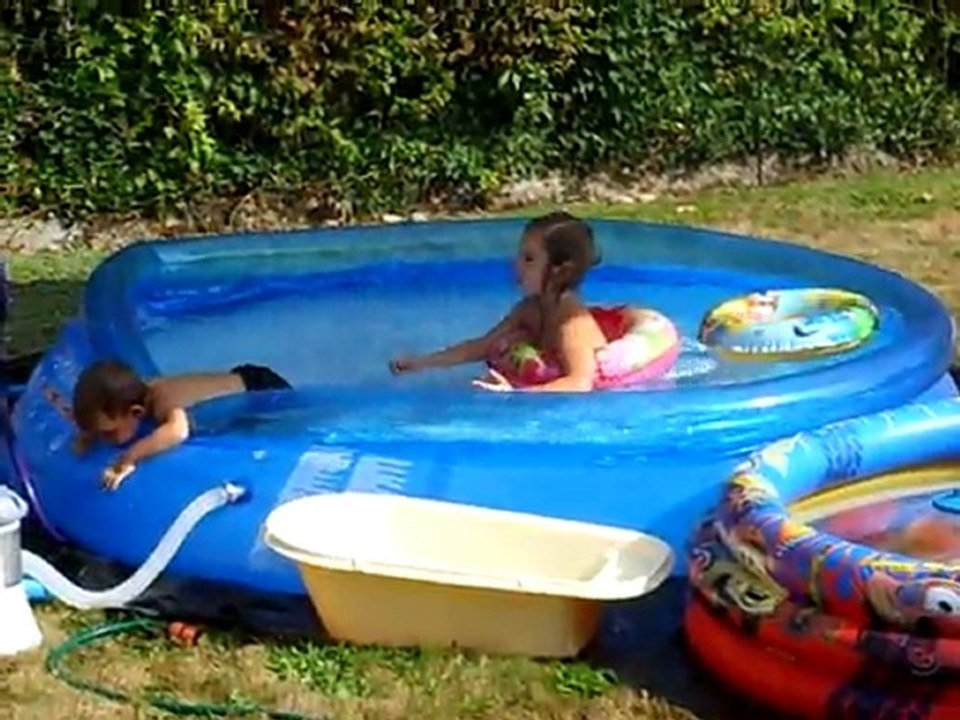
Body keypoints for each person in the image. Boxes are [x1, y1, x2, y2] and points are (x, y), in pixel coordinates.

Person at [389, 211, 613, 392]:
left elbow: (580, 382)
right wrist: (422, 363)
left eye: (529, 259)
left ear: (559, 270)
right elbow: (484, 345)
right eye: (519, 256)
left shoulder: (572, 324)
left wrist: (516, 393)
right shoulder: (530, 309)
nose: (516, 265)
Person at [53, 359, 291, 490]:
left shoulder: (164, 401)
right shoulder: (134, 394)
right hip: (239, 379)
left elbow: (177, 431)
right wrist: (88, 433)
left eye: (108, 433)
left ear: (136, 413)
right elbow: (102, 415)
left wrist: (129, 459)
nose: (105, 439)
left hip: (261, 389)